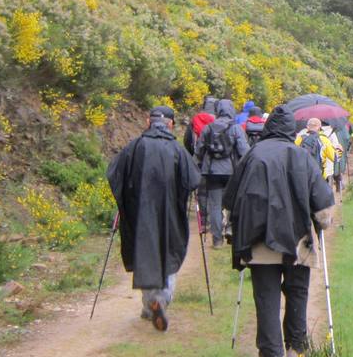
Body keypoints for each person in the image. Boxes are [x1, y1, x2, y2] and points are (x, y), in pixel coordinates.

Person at [224, 104, 334, 357]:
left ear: (268, 127)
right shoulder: (301, 155)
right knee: (297, 292)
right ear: (289, 130)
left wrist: (230, 231)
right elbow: (321, 201)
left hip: (258, 242)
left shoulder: (251, 156)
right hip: (297, 240)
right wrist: (322, 222)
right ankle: (296, 348)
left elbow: (231, 198)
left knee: (266, 299)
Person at [106, 106, 201, 332]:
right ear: (170, 124)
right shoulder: (177, 149)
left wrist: (126, 198)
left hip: (141, 212)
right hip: (170, 212)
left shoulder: (135, 147)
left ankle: (150, 304)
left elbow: (114, 173)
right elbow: (193, 179)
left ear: (148, 122)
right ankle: (162, 299)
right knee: (169, 252)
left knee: (145, 253)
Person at [196, 98, 250, 248]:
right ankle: (231, 228)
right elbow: (244, 150)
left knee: (215, 205)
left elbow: (198, 149)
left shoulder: (208, 128)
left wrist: (201, 163)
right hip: (232, 171)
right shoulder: (236, 128)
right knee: (233, 201)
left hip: (212, 171)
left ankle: (217, 239)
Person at [183, 96, 218, 233]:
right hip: (216, 160)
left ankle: (204, 220)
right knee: (215, 190)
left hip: (199, 159)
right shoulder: (219, 121)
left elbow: (187, 140)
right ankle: (215, 218)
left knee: (202, 191)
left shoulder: (195, 120)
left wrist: (193, 154)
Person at [321, 122, 345, 197]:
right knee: (329, 174)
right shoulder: (331, 132)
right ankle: (329, 193)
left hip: (319, 159)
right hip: (329, 158)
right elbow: (336, 145)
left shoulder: (316, 132)